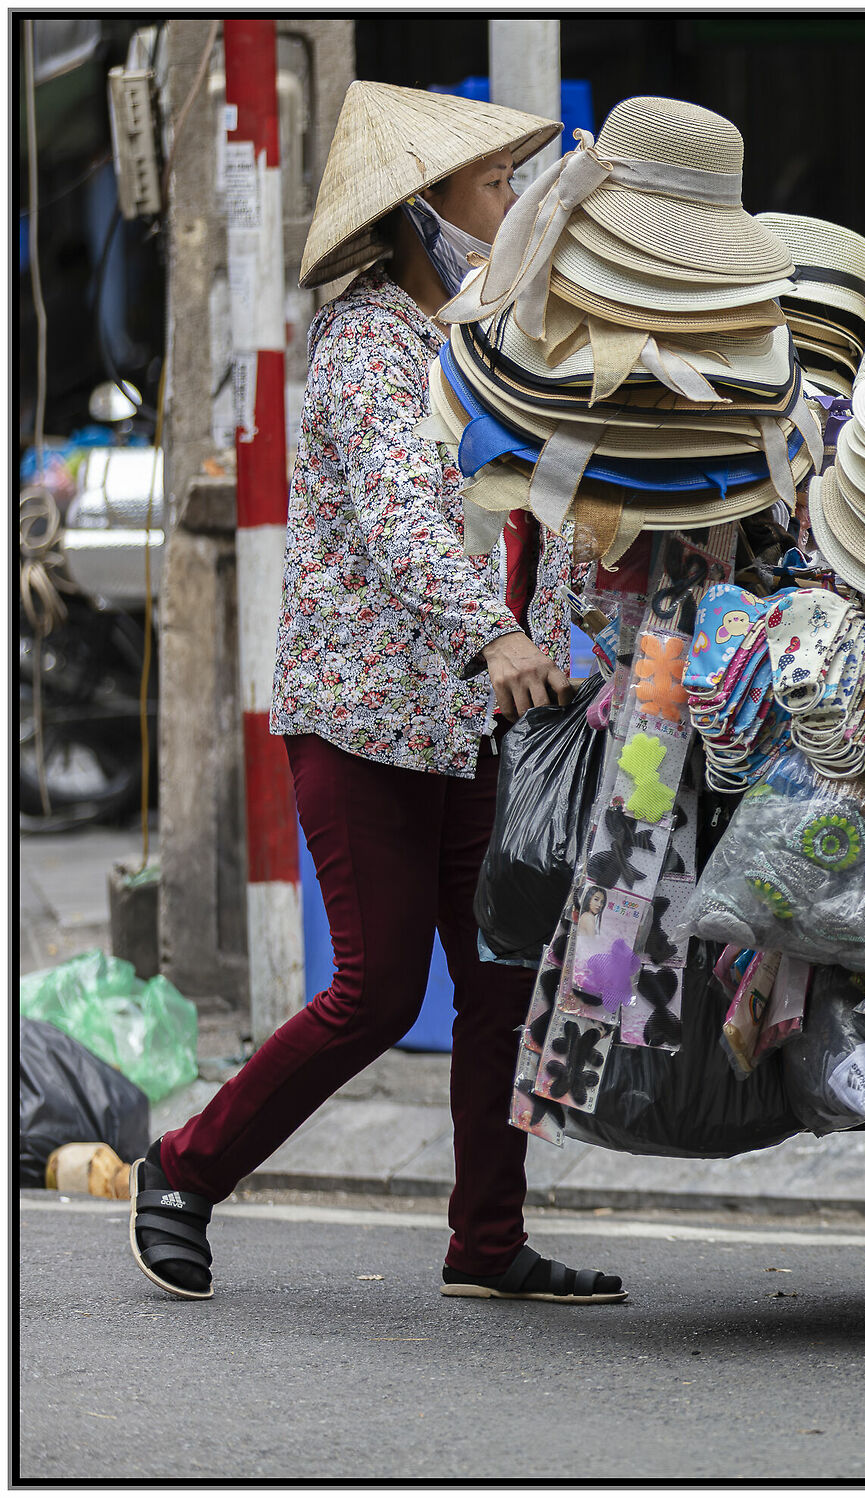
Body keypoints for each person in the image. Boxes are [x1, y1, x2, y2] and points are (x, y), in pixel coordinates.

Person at [126, 83, 625, 1306]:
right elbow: (409, 520)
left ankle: (485, 1241)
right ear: (426, 211)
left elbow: (547, 513)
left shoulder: (493, 345)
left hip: (480, 724)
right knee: (377, 989)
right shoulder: (363, 347)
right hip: (367, 721)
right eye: (493, 186)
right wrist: (495, 635)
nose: (510, 205)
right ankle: (181, 1171)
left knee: (502, 979)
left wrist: (573, 626)